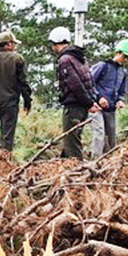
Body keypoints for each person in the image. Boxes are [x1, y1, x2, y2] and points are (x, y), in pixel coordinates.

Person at [48, 26, 100, 159]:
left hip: (74, 107)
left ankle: (78, 172)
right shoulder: (79, 58)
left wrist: (89, 103)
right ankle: (63, 167)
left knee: (71, 142)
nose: (52, 48)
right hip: (82, 106)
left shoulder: (65, 60)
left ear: (56, 43)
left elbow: (75, 84)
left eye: (52, 44)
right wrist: (92, 102)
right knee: (73, 138)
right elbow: (89, 82)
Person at [90, 38, 128, 156]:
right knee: (99, 135)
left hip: (111, 109)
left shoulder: (123, 72)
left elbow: (122, 91)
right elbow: (89, 83)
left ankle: (108, 163)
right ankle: (94, 161)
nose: (126, 60)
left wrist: (120, 100)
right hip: (96, 107)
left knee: (111, 139)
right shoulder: (102, 66)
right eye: (125, 56)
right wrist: (98, 97)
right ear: (118, 52)